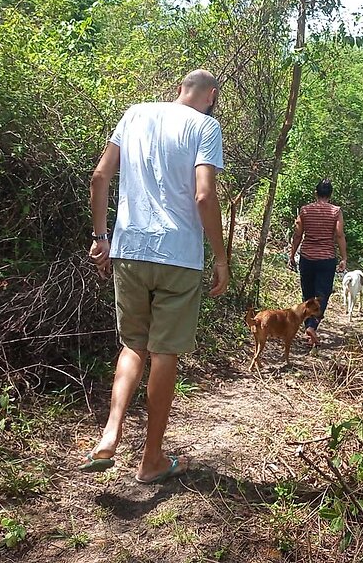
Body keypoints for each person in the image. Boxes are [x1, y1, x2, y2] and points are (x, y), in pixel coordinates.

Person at [80, 69, 229, 484]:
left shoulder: (135, 114)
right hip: (179, 256)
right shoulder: (206, 126)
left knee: (133, 346)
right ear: (211, 95)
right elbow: (204, 195)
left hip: (129, 249)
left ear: (180, 88)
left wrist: (100, 236)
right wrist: (220, 258)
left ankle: (110, 433)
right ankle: (150, 460)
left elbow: (99, 176)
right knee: (164, 354)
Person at [287, 179, 348, 347]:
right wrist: (344, 258)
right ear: (330, 194)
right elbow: (339, 235)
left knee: (307, 294)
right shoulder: (336, 211)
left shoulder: (305, 210)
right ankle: (312, 327)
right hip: (326, 259)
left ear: (316, 193)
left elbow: (298, 234)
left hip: (307, 258)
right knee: (322, 295)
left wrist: (292, 254)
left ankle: (309, 328)